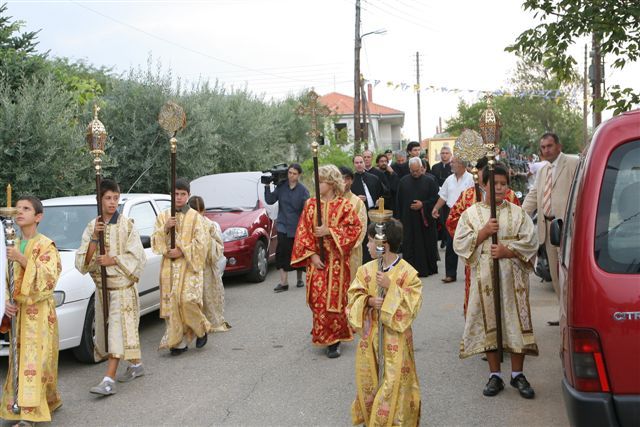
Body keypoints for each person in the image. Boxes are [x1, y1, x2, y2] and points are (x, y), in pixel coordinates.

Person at [454, 165, 538, 399]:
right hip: (485, 279)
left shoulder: (517, 212)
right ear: (484, 185)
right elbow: (459, 243)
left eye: (504, 184)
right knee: (490, 322)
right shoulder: (471, 214)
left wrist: (507, 250)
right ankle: (496, 375)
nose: (499, 188)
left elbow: (531, 241)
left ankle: (517, 374)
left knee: (514, 323)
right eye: (495, 184)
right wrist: (482, 233)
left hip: (514, 279)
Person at [76, 179, 147, 396]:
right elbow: (82, 262)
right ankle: (136, 364)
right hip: (102, 291)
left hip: (122, 290)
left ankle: (108, 379)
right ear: (99, 199)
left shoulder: (126, 225)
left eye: (116, 198)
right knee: (111, 334)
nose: (112, 203)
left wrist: (113, 259)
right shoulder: (92, 226)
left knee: (116, 331)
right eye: (108, 198)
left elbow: (138, 256)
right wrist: (95, 240)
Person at [347, 219, 422, 426]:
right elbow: (352, 298)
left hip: (396, 342)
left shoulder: (408, 273)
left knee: (393, 385)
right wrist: (369, 301)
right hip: (370, 341)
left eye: (370, 241)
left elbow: (411, 307)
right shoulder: (365, 270)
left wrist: (391, 288)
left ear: (384, 245)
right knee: (371, 383)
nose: (367, 246)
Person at [1, 196, 62, 425]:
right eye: (17, 208)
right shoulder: (10, 243)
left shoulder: (46, 244)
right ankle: (24, 404)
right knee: (18, 360)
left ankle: (30, 415)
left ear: (38, 217)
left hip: (39, 312)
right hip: (18, 313)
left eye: (26, 209)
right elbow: (3, 279)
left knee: (36, 363)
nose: (19, 212)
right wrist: (5, 301)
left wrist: (23, 259)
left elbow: (50, 277)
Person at [291, 165, 363, 358]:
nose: (317, 185)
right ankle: (322, 333)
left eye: (321, 181)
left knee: (336, 302)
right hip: (317, 262)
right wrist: (312, 256)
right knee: (318, 300)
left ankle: (335, 341)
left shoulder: (344, 206)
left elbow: (354, 229)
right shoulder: (311, 205)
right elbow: (303, 233)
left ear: (331, 183)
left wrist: (330, 231)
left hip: (337, 262)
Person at [446, 157, 521, 316]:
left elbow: (521, 227)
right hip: (477, 257)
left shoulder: (510, 196)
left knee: (505, 302)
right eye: (483, 170)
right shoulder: (467, 196)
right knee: (477, 300)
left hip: (505, 258)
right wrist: (474, 235)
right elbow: (452, 222)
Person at [522, 133, 579, 325]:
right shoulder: (543, 170)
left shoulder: (573, 163)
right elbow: (534, 195)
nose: (546, 150)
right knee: (554, 275)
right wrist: (518, 215)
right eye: (543, 147)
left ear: (558, 146)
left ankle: (575, 315)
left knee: (569, 274)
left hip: (567, 228)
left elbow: (581, 192)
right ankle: (563, 314)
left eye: (549, 146)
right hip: (547, 228)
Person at [152, 178, 212, 355]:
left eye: (182, 194)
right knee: (172, 303)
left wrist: (182, 251)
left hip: (189, 265)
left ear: (188, 196)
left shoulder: (195, 217)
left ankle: (201, 329)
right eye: (176, 194)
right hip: (169, 267)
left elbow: (202, 244)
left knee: (186, 300)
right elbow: (155, 241)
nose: (178, 198)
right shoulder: (163, 216)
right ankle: (177, 343)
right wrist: (165, 228)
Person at [263, 163, 310, 293]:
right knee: (282, 252)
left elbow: (307, 210)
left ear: (299, 175)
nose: (291, 176)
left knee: (298, 253)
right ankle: (284, 283)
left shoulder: (303, 190)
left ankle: (300, 278)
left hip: (297, 226)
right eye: (290, 173)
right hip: (283, 225)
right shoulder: (281, 187)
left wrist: (306, 226)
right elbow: (270, 200)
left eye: (294, 173)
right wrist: (267, 186)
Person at [189, 196, 231, 332]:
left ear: (203, 211)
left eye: (198, 211)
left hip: (206, 267)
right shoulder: (186, 224)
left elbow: (219, 246)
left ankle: (210, 322)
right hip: (191, 267)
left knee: (208, 297)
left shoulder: (209, 225)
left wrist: (206, 243)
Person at [394, 157, 440, 277]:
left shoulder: (429, 181)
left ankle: (427, 269)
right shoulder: (403, 181)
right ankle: (409, 271)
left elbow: (435, 199)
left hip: (424, 219)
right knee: (409, 244)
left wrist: (422, 205)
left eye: (417, 170)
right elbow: (398, 200)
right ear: (409, 169)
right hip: (408, 219)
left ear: (421, 168)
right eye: (412, 171)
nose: (415, 173)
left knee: (425, 244)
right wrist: (398, 217)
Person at [431, 157, 474, 283]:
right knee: (451, 244)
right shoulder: (449, 179)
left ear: (461, 165)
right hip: (451, 214)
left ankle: (471, 273)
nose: (451, 164)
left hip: (468, 214)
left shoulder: (471, 178)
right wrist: (436, 208)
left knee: (470, 243)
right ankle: (450, 274)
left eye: (453, 162)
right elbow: (443, 196)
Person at [352, 154, 383, 263]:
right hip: (359, 214)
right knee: (363, 238)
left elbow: (383, 193)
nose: (359, 165)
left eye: (361, 162)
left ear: (364, 163)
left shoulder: (373, 178)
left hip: (373, 212)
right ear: (353, 164)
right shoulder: (351, 180)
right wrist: (356, 198)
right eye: (357, 163)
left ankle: (376, 260)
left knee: (375, 236)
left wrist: (380, 200)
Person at [339, 166, 368, 282]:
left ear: (351, 181)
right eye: (341, 179)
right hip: (333, 250)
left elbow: (361, 227)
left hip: (352, 251)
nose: (344, 182)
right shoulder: (330, 201)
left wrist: (347, 245)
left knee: (352, 282)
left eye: (347, 179)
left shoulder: (357, 202)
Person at [431, 146, 454, 246]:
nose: (444, 155)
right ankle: (443, 237)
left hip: (451, 196)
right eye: (443, 153)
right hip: (439, 195)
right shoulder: (435, 167)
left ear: (450, 155)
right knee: (441, 218)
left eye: (446, 153)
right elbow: (433, 180)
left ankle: (447, 238)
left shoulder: (453, 166)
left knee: (449, 217)